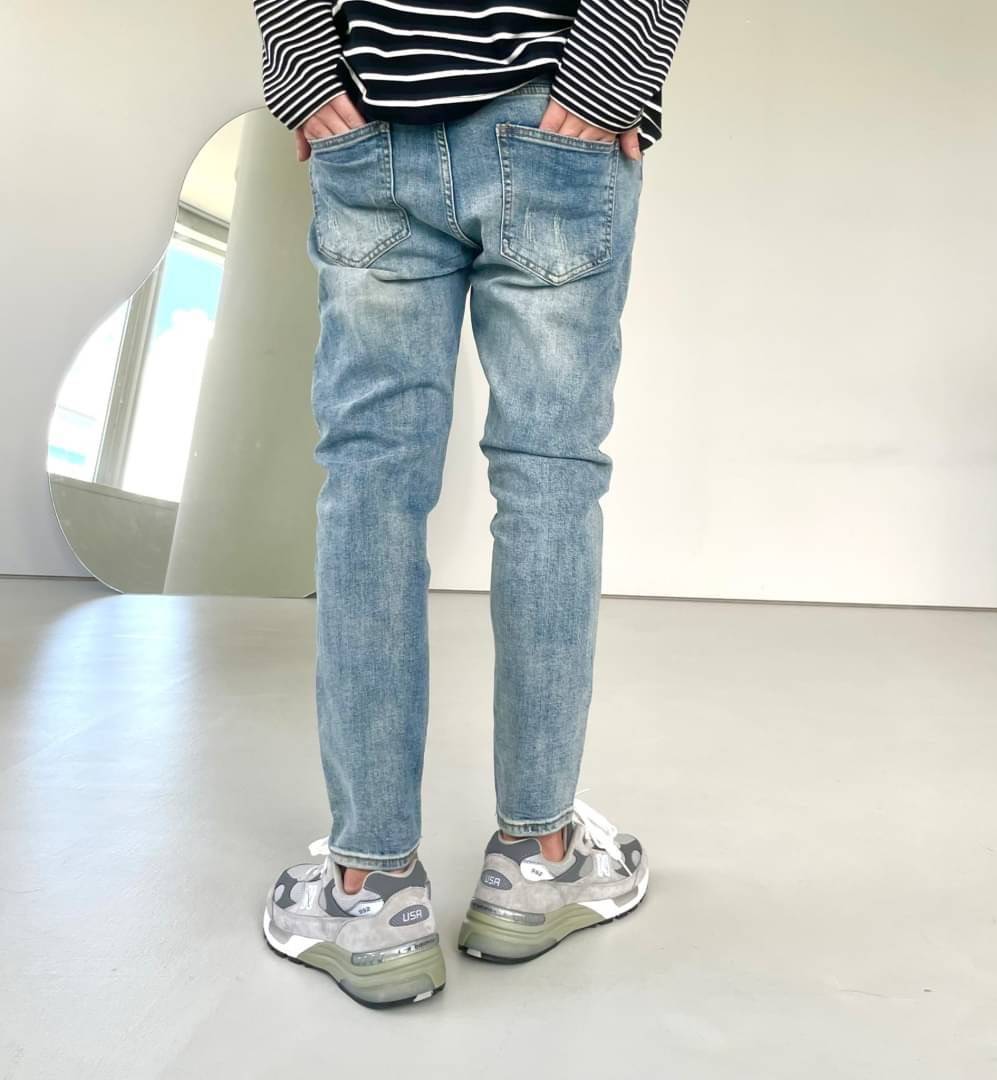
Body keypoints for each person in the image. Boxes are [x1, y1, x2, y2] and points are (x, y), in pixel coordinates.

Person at [251, 0, 689, 1008]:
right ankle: (538, 863)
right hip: (549, 114)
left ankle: (368, 892)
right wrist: (611, 74)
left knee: (371, 482)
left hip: (376, 108)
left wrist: (306, 64)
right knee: (550, 478)